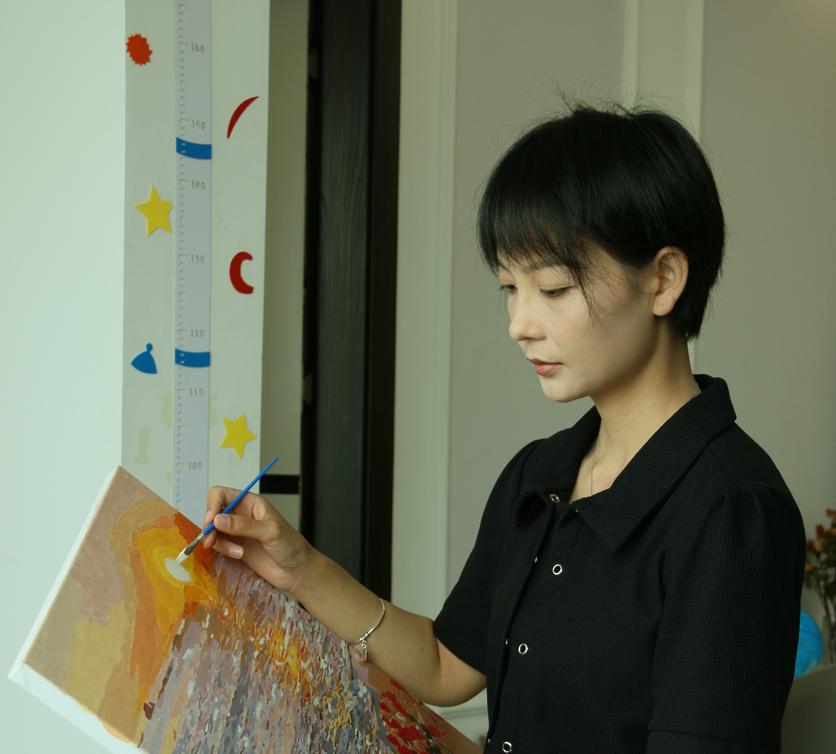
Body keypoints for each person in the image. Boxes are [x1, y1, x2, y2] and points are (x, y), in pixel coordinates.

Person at [202, 98, 807, 753]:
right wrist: (300, 568)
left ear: (662, 280)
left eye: (553, 289)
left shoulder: (732, 510)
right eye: (509, 289)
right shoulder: (540, 475)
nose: (520, 324)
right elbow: (446, 664)